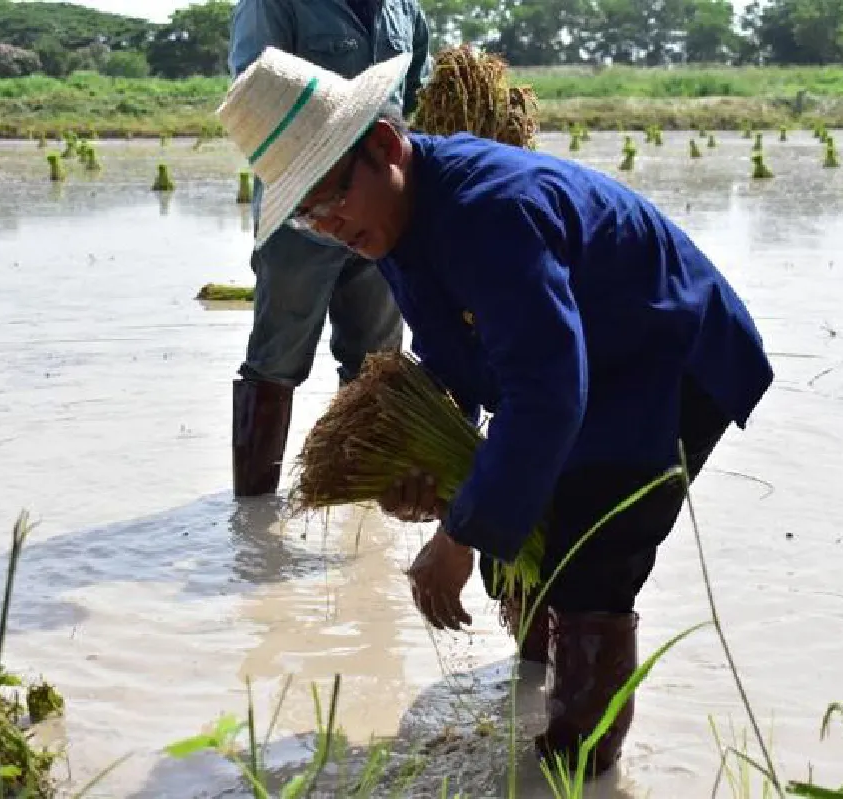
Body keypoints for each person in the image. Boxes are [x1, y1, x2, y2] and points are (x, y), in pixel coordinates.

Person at [216, 50, 775, 778]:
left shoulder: (488, 212)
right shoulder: (397, 222)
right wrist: (421, 464)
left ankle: (574, 768)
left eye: (331, 199)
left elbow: (546, 395)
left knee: (590, 560)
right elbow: (461, 356)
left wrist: (457, 536)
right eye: (310, 218)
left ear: (384, 146)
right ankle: (541, 684)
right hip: (589, 364)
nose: (329, 227)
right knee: (530, 543)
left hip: (666, 359)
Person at [226, 0, 432, 497]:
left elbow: (419, 97)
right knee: (276, 356)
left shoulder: (404, 9)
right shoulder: (273, 4)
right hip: (305, 214)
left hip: (382, 208)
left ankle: (357, 495)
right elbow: (254, 92)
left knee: (377, 358)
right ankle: (254, 503)